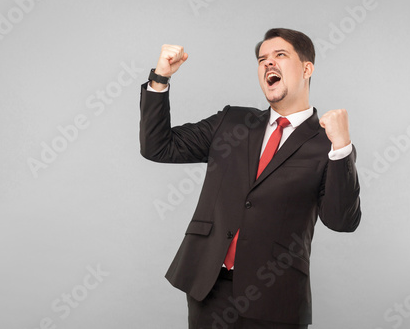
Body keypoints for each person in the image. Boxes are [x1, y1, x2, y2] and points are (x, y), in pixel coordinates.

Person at [139, 28, 361, 328]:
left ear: (307, 68)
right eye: (262, 59)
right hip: (209, 287)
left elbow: (342, 221)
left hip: (276, 295)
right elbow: (158, 147)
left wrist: (342, 147)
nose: (269, 63)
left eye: (280, 55)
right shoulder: (232, 123)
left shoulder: (328, 144)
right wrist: (160, 79)